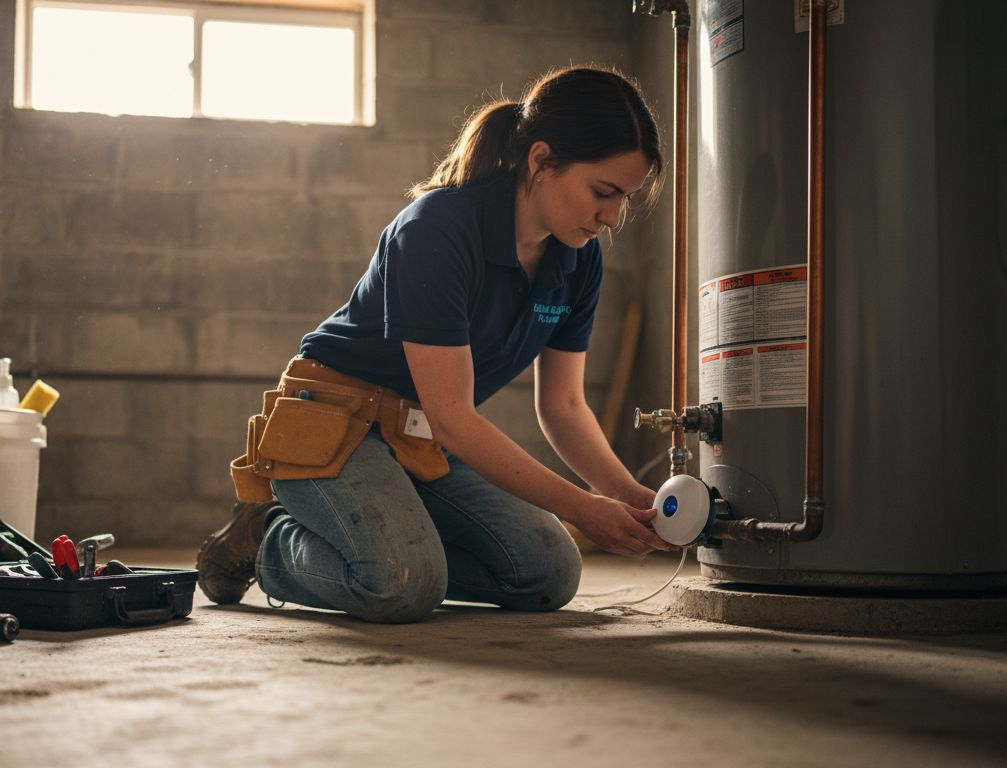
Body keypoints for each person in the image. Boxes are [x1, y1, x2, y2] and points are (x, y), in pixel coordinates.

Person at [197, 65, 675, 624]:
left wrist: (625, 495)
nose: (612, 217)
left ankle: (393, 551)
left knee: (547, 573)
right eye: (603, 192)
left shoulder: (578, 259)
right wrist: (582, 508)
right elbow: (454, 417)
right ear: (541, 160)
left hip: (417, 436)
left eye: (626, 199)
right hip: (333, 422)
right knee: (397, 586)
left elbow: (564, 406)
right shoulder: (436, 230)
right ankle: (266, 539)